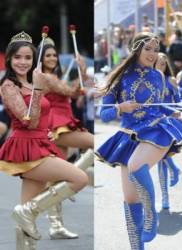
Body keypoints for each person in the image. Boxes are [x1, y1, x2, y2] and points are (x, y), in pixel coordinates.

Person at [97, 32, 182, 249]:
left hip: (156, 130)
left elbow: (161, 108)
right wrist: (120, 107)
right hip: (128, 136)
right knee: (131, 199)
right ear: (136, 50)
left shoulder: (158, 77)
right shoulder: (120, 77)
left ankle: (152, 215)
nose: (152, 54)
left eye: (155, 49)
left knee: (136, 166)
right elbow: (104, 114)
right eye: (147, 49)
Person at [0, 31, 88, 249]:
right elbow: (27, 120)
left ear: (33, 59)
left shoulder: (36, 80)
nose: (23, 62)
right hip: (25, 148)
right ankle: (27, 213)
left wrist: (48, 130)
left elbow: (72, 94)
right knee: (79, 178)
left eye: (28, 58)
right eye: (18, 57)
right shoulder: (8, 86)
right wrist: (39, 90)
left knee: (26, 212)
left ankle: (26, 215)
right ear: (10, 58)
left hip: (41, 143)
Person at [37, 38, 94, 239]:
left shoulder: (54, 76)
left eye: (54, 55)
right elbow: (70, 91)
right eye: (48, 55)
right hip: (56, 123)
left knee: (54, 180)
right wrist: (82, 71)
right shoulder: (44, 76)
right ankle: (74, 177)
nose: (52, 58)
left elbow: (75, 90)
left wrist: (83, 72)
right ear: (40, 58)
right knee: (94, 143)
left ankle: (55, 226)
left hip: (63, 120)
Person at [154, 52, 181, 210]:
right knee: (159, 158)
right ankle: (165, 196)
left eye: (163, 64)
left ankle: (173, 169)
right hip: (153, 122)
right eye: (158, 63)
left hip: (168, 122)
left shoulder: (171, 80)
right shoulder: (149, 80)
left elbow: (178, 100)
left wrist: (178, 110)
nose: (160, 66)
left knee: (160, 156)